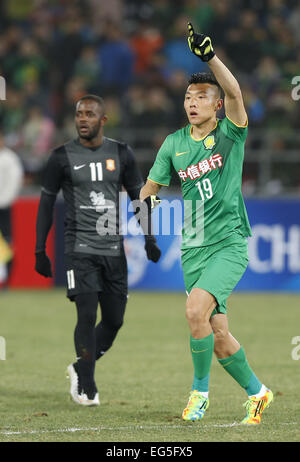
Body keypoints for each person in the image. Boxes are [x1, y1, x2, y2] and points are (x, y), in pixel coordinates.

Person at [140, 23, 273, 425]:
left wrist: (210, 58)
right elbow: (149, 190)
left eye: (202, 97)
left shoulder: (231, 133)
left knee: (194, 309)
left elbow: (235, 92)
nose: (192, 102)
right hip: (193, 247)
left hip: (228, 243)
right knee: (217, 337)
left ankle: (199, 393)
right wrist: (148, 209)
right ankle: (258, 392)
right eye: (188, 97)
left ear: (217, 106)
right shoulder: (173, 144)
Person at [35, 95, 161, 406]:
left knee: (115, 320)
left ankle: (81, 365)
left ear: (103, 120)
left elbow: (138, 197)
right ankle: (87, 385)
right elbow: (46, 203)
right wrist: (40, 249)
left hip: (113, 250)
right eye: (79, 113)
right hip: (79, 248)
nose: (83, 119)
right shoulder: (60, 157)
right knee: (87, 313)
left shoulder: (121, 153)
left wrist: (149, 238)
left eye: (90, 114)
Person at [0, 129, 24, 286]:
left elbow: (15, 182)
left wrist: (3, 201)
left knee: (6, 241)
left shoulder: (9, 158)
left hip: (3, 208)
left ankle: (6, 279)